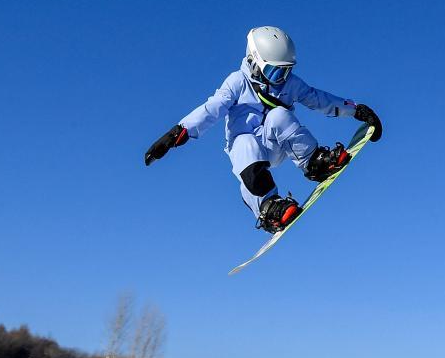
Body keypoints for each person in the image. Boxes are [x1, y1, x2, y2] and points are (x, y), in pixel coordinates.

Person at [144, 26, 382, 233]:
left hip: (275, 144)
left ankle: (313, 163)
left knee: (279, 115)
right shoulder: (238, 82)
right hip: (246, 154)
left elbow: (317, 98)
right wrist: (176, 133)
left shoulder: (289, 83)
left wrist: (356, 110)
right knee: (245, 142)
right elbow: (212, 108)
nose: (280, 78)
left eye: (285, 71)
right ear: (254, 61)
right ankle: (268, 207)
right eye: (274, 72)